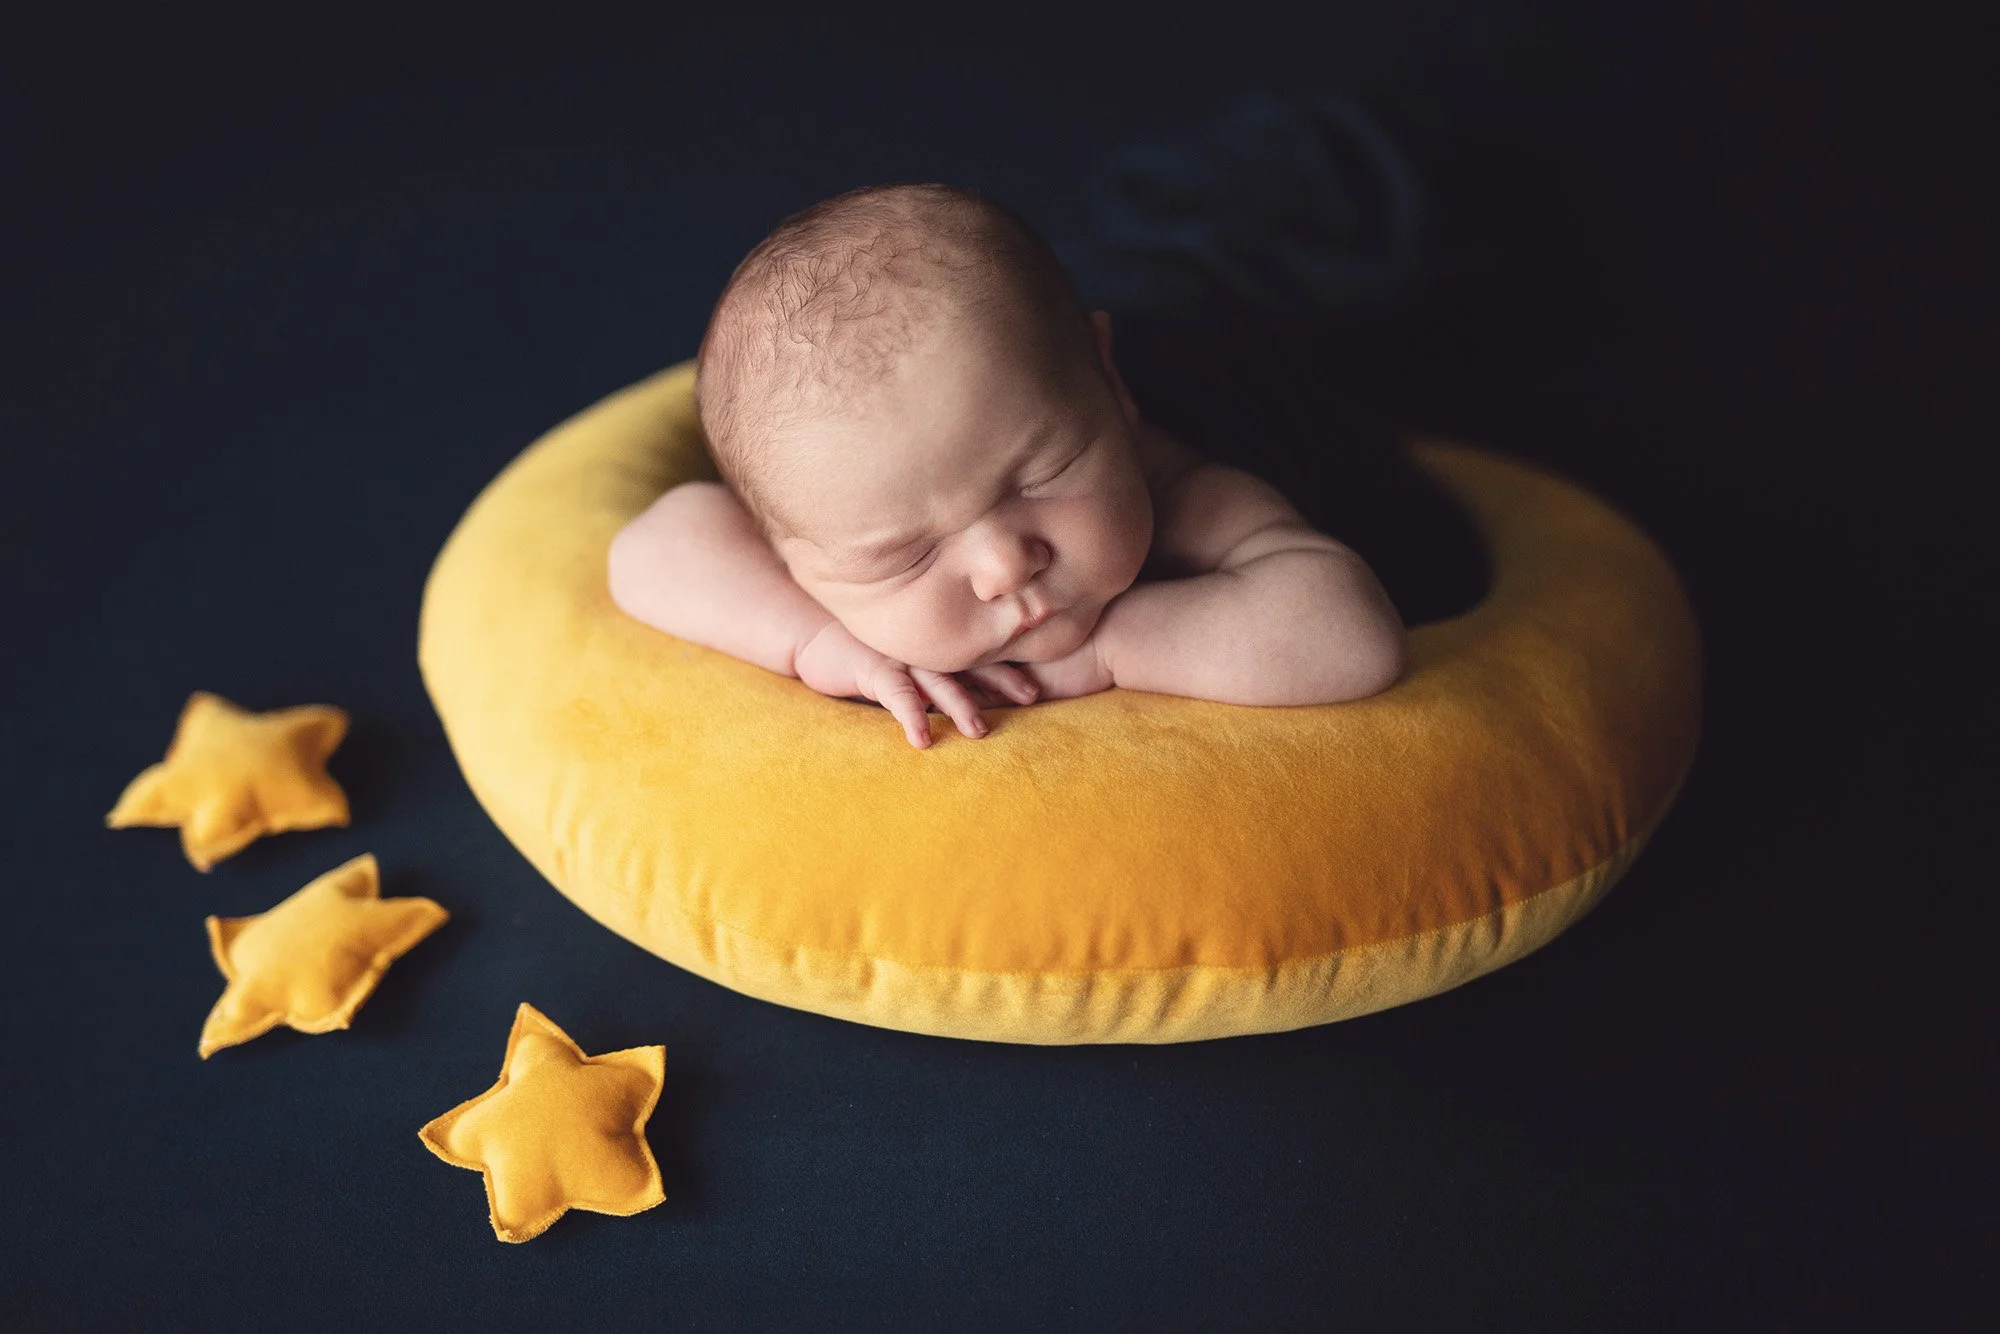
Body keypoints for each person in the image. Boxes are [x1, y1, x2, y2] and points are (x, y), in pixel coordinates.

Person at [607, 183, 1405, 750]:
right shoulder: (823, 512)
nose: (1003, 565)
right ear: (787, 551)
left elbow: (1353, 637)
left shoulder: (1184, 493)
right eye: (906, 555)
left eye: (1037, 477)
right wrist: (816, 643)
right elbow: (649, 548)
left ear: (1111, 386)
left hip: (1230, 313)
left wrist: (1106, 651)